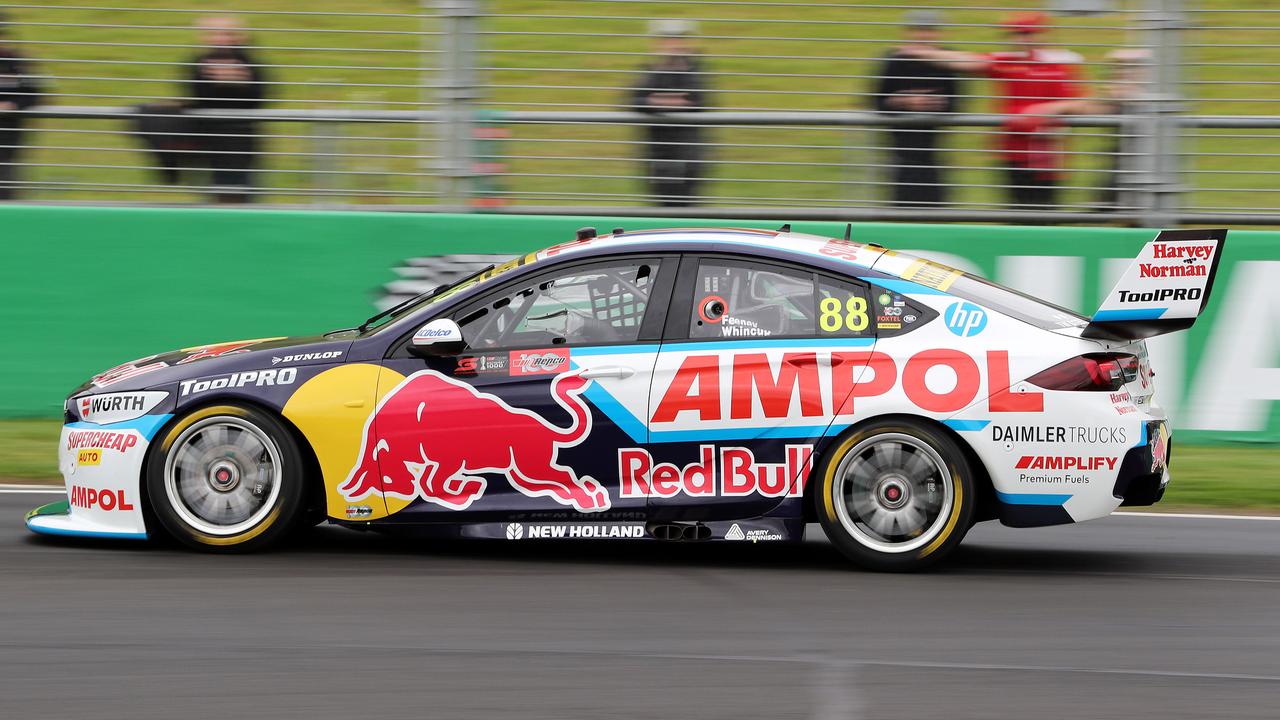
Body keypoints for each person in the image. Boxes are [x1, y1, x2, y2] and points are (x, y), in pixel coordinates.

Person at [903, 11, 1086, 210]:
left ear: (1041, 35)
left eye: (1027, 34)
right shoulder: (1009, 60)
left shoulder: (1060, 65)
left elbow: (1083, 103)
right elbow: (969, 61)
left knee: (1044, 212)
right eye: (1016, 34)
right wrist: (923, 53)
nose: (1021, 40)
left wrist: (1048, 109)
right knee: (1016, 212)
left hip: (1046, 156)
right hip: (1012, 153)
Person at [871, 10, 961, 207]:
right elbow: (876, 101)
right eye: (919, 30)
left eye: (929, 30)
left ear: (938, 34)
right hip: (901, 149)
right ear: (908, 33)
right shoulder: (894, 61)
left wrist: (934, 104)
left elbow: (956, 103)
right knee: (902, 202)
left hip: (932, 148)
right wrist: (903, 102)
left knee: (935, 203)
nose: (924, 35)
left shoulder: (947, 60)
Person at [628, 19, 708, 207]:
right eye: (668, 39)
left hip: (687, 153)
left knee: (685, 208)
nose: (674, 44)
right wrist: (661, 102)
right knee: (663, 206)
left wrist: (654, 102)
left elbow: (694, 101)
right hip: (660, 153)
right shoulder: (651, 71)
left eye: (678, 39)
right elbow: (634, 101)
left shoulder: (695, 71)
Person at [187, 15, 267, 204]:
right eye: (214, 33)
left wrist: (240, 84)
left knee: (241, 195)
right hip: (208, 145)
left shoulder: (251, 64)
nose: (220, 39)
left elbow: (261, 98)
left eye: (227, 33)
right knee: (214, 197)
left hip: (240, 145)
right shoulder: (199, 63)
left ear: (240, 37)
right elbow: (196, 98)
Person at [0, 13, 43, 201]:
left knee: (5, 184)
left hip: (7, 135)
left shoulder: (15, 61)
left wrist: (13, 104)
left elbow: (34, 91)